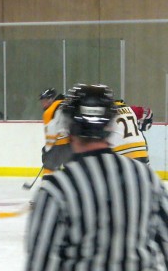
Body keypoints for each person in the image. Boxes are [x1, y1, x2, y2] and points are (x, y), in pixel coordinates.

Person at [25, 84, 168, 270]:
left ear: (70, 127)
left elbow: (40, 264)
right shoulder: (147, 179)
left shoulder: (57, 189)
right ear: (109, 125)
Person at [39, 88, 72, 176]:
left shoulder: (49, 112)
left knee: (49, 171)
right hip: (71, 145)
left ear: (51, 99)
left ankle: (47, 185)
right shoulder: (65, 104)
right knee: (71, 171)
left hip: (59, 146)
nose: (43, 103)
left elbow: (51, 132)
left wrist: (47, 150)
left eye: (45, 100)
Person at [108, 99, 152, 164]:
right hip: (141, 148)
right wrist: (143, 127)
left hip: (121, 151)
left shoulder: (109, 113)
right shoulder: (132, 109)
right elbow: (148, 112)